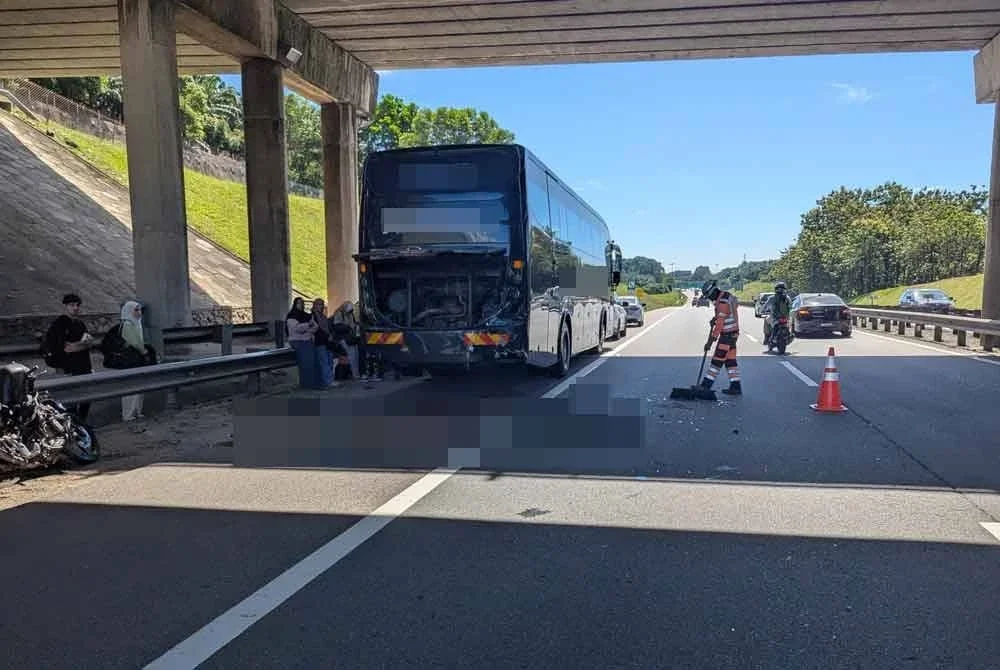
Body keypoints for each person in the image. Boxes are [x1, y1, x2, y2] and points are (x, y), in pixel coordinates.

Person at [42, 293, 95, 420]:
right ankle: (72, 429)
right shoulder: (59, 324)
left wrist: (80, 345)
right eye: (72, 305)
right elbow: (67, 348)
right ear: (65, 306)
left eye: (77, 305)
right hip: (68, 369)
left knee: (85, 401)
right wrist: (83, 344)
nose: (75, 308)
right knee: (71, 403)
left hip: (84, 368)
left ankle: (82, 427)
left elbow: (90, 343)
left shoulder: (80, 324)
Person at [699, 279, 742, 396]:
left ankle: (705, 386)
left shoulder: (722, 302)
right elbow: (727, 313)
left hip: (727, 336)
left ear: (713, 291)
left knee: (717, 361)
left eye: (709, 296)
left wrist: (710, 341)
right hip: (733, 334)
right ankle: (736, 386)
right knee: (730, 362)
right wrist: (716, 317)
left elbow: (720, 324)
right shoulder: (727, 296)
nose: (709, 299)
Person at [286, 297, 319, 389]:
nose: (302, 305)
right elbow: (296, 329)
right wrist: (308, 326)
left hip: (307, 340)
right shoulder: (291, 316)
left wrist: (307, 329)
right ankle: (306, 384)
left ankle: (311, 383)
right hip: (297, 341)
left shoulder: (307, 315)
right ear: (295, 304)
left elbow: (315, 327)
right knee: (305, 363)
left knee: (311, 363)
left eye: (303, 303)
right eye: (299, 303)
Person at [763, 281, 793, 346]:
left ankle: (766, 337)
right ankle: (789, 335)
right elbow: (791, 306)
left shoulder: (772, 298)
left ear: (776, 289)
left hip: (775, 317)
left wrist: (763, 311)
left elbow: (765, 307)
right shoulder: (787, 297)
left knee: (766, 319)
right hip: (785, 317)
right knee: (788, 325)